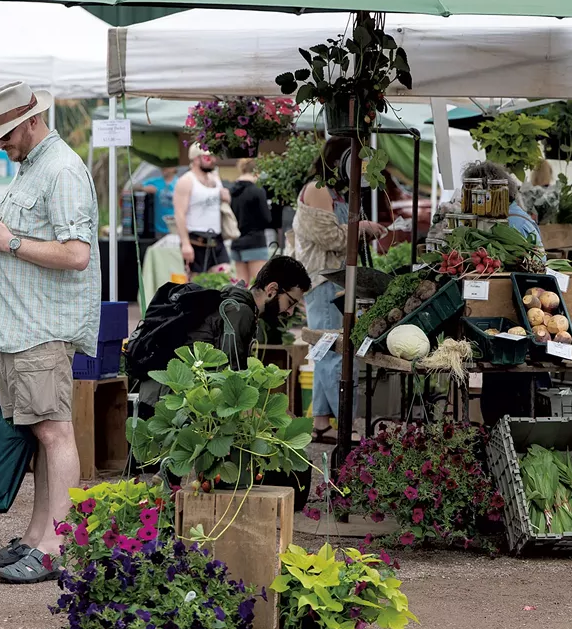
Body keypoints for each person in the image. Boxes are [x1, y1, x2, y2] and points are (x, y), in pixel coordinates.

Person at [0, 81, 99, 585]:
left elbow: (77, 255)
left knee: (54, 432)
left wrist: (9, 240)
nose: (0, 144)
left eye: (5, 134)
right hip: (22, 325)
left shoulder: (62, 169)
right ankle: (36, 536)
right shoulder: (35, 165)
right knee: (42, 433)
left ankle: (57, 547)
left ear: (30, 121)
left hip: (42, 327)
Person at [289, 138, 387, 444]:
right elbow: (330, 237)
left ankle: (321, 422)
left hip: (338, 281)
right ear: (339, 162)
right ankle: (348, 426)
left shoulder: (336, 193)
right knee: (336, 353)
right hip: (325, 282)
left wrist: (364, 231)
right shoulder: (317, 189)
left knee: (326, 351)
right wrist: (363, 228)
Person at [134, 255, 312, 412]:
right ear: (272, 290)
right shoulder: (240, 311)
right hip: (166, 399)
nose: (290, 312)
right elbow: (230, 376)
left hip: (164, 393)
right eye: (290, 302)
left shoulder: (235, 303)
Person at [460, 160, 545, 428]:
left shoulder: (511, 223)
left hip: (516, 322)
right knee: (500, 396)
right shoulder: (506, 217)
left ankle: (504, 441)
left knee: (506, 403)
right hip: (508, 327)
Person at [174, 143, 230, 275]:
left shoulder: (215, 178)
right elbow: (179, 213)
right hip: (195, 238)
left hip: (216, 237)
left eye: (213, 157)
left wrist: (226, 197)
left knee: (224, 275)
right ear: (196, 159)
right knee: (197, 281)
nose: (213, 160)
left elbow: (222, 204)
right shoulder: (186, 181)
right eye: (208, 158)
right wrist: (185, 243)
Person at [229, 158, 272, 283]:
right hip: (255, 242)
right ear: (257, 171)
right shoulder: (257, 190)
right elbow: (267, 218)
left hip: (236, 241)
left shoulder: (232, 191)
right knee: (259, 284)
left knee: (241, 285)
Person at [141, 166, 178, 235]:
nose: (164, 168)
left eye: (167, 166)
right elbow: (133, 187)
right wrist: (143, 188)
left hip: (176, 228)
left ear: (174, 168)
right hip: (158, 229)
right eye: (163, 166)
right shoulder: (154, 182)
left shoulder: (180, 183)